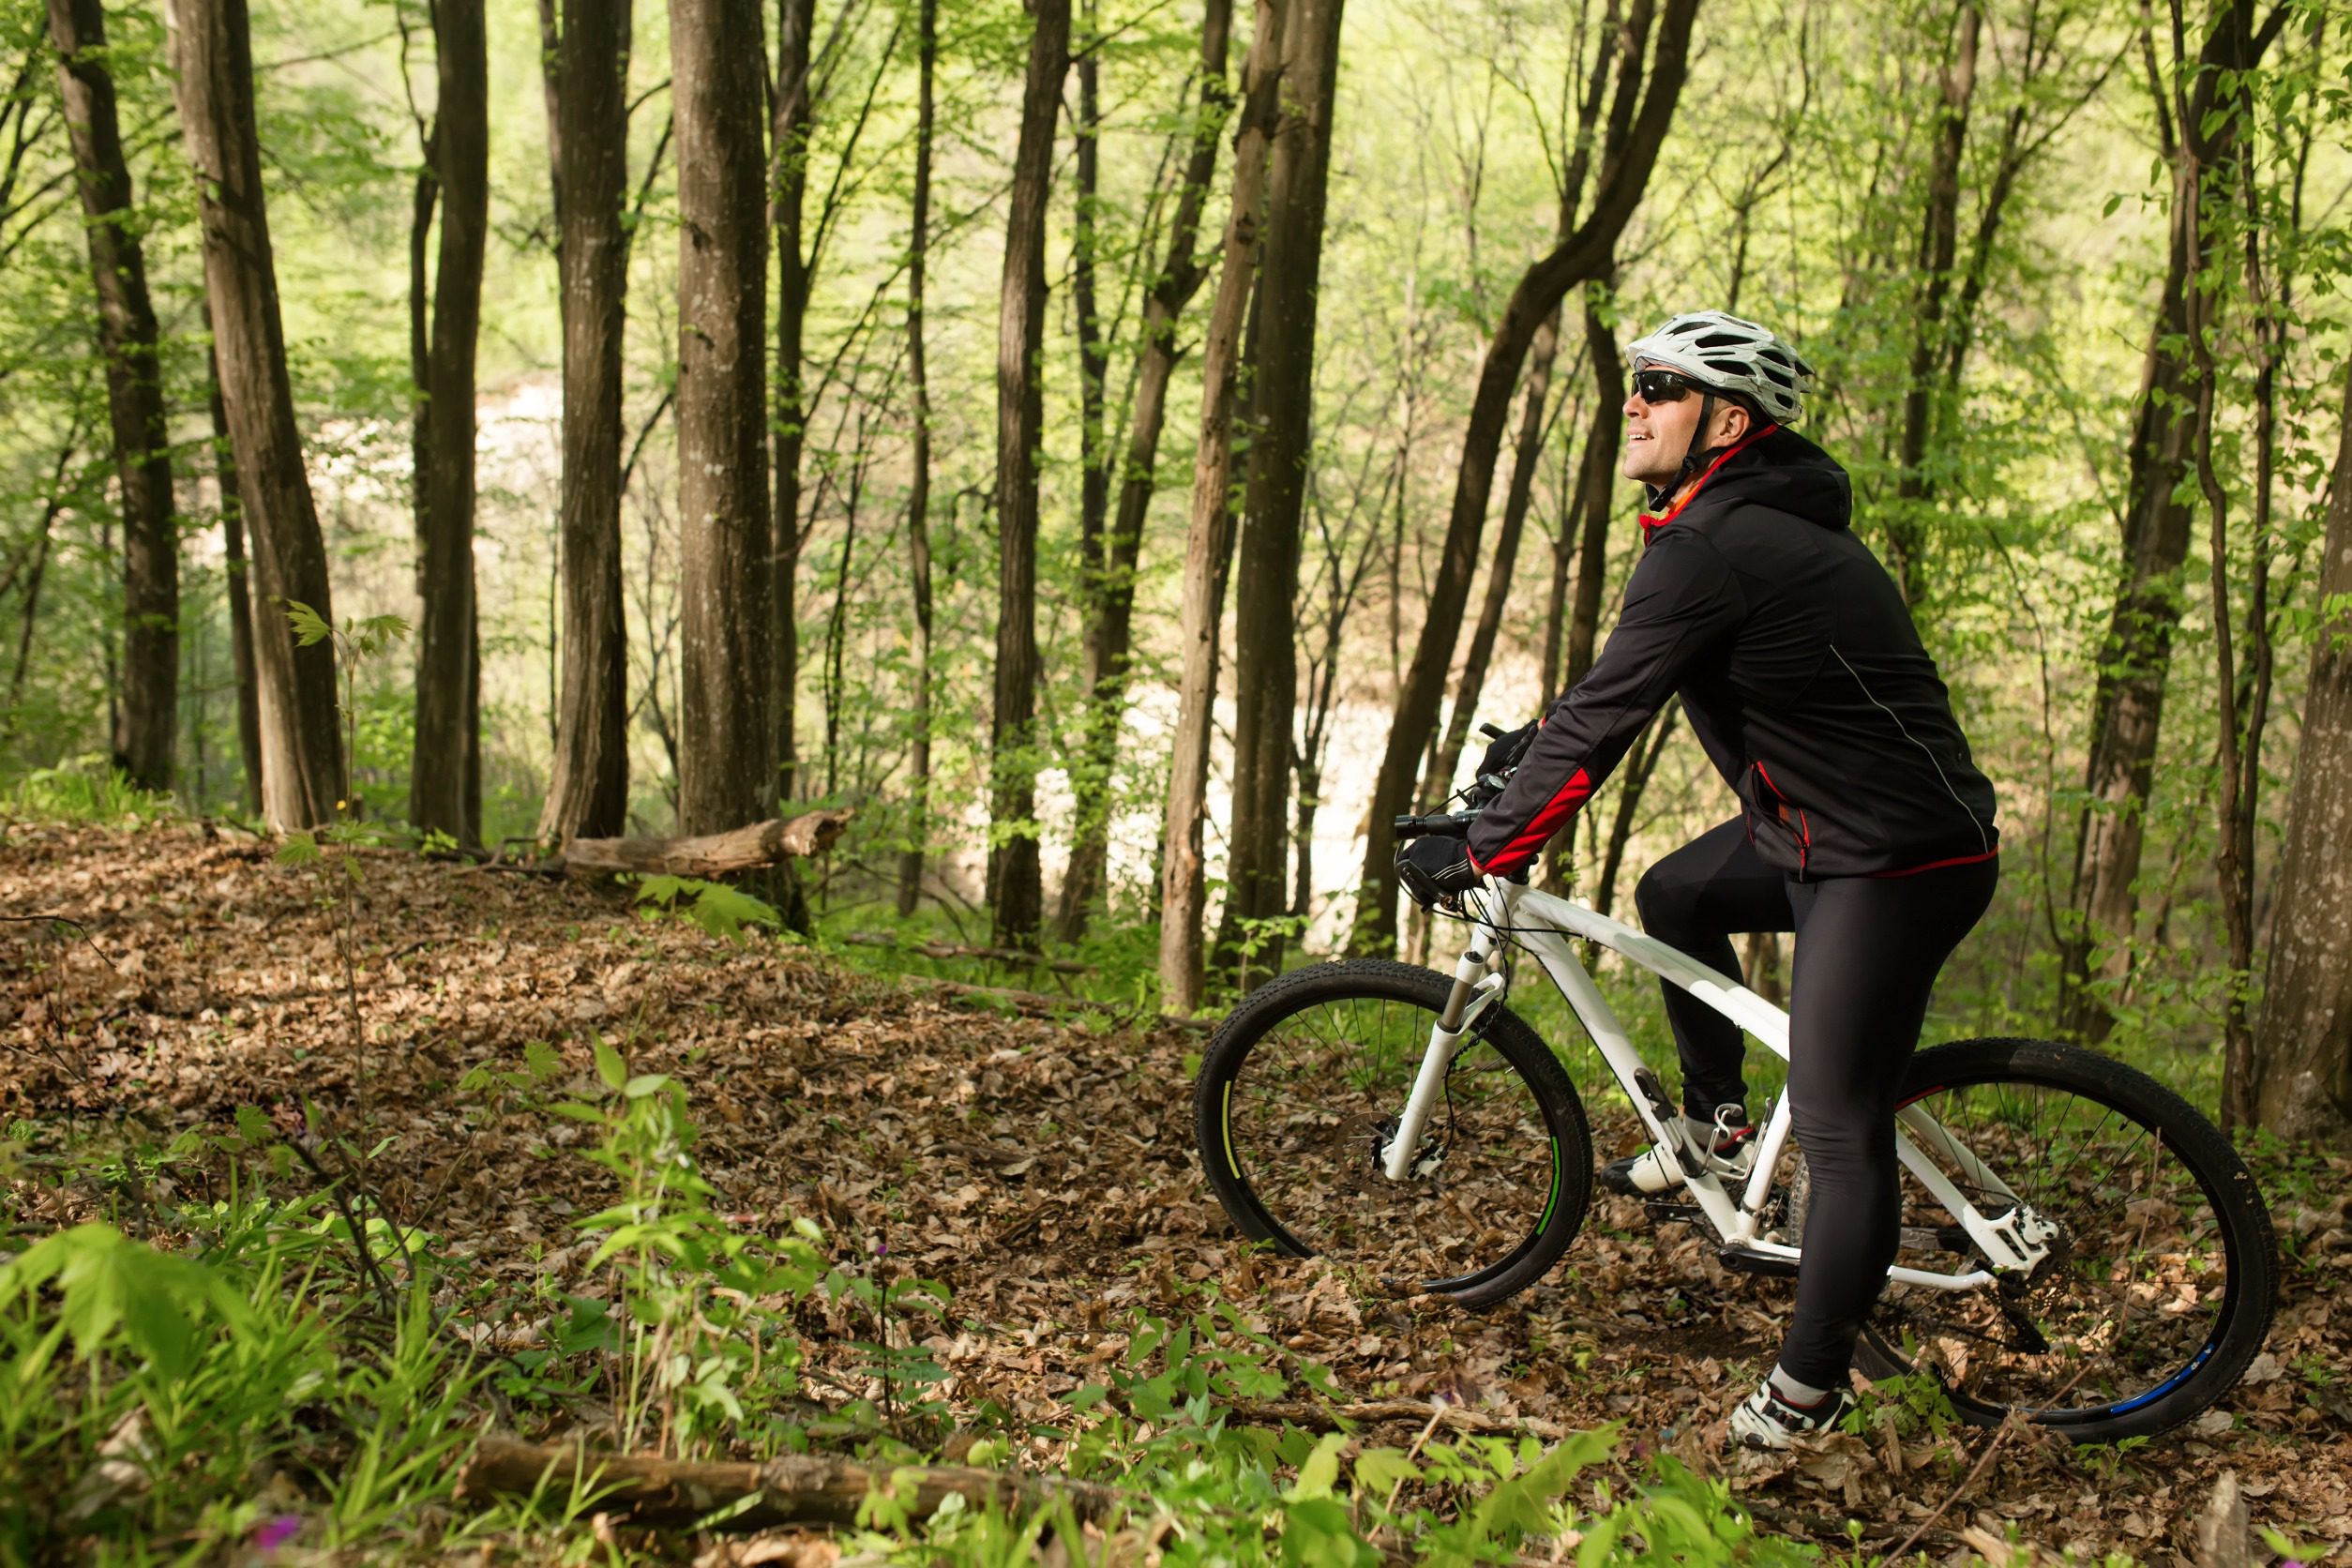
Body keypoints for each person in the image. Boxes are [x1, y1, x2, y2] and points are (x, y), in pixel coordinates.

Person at [1397, 309, 1999, 1450]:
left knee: (1837, 1125)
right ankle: (1720, 1126)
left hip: (1894, 858)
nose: (1634, 400)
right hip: (1821, 831)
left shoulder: (1718, 542)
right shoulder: (1734, 524)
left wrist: (1485, 849)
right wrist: (1523, 756)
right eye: (1636, 381)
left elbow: (1612, 718)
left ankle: (1807, 1394)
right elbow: (1615, 690)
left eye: (1662, 387)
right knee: (1675, 897)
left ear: (1727, 420)